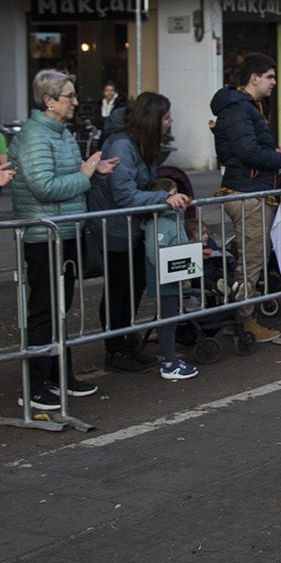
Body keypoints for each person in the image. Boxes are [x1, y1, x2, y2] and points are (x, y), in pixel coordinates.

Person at [11, 70, 118, 409]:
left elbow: (64, 178)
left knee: (60, 307)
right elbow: (43, 187)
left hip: (65, 231)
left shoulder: (60, 133)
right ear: (49, 101)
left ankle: (60, 375)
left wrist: (91, 171)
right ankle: (37, 384)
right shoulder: (36, 137)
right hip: (45, 235)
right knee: (45, 309)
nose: (75, 101)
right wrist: (85, 176)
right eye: (69, 96)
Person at [89, 92, 192, 373]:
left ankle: (127, 341)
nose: (170, 123)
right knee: (118, 289)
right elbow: (123, 194)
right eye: (167, 117)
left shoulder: (141, 145)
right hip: (115, 229)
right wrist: (162, 199)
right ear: (153, 119)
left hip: (133, 226)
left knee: (133, 287)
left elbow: (143, 184)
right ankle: (115, 348)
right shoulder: (122, 146)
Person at [211, 53, 281, 345]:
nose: (274, 82)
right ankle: (244, 321)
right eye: (270, 76)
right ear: (254, 78)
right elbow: (247, 152)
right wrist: (280, 158)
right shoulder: (238, 108)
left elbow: (247, 149)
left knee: (252, 259)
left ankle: (241, 315)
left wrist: (275, 155)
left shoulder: (245, 107)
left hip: (252, 190)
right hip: (247, 193)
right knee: (252, 261)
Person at [141, 178, 200, 381]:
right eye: (173, 194)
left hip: (175, 276)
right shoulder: (159, 222)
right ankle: (169, 362)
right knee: (168, 319)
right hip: (166, 279)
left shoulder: (174, 218)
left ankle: (171, 358)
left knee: (172, 317)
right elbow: (154, 253)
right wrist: (172, 269)